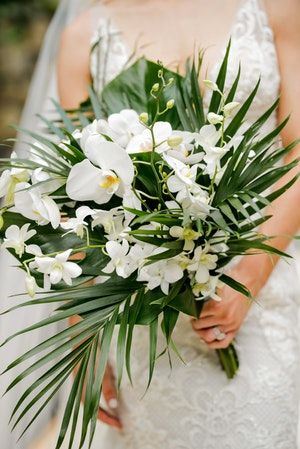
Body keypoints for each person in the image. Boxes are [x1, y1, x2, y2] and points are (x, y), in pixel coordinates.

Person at [4, 0, 300, 448]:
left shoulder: (274, 8)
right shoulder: (84, 37)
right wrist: (86, 344)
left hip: (265, 295)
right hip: (145, 321)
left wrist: (252, 274)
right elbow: (77, 201)